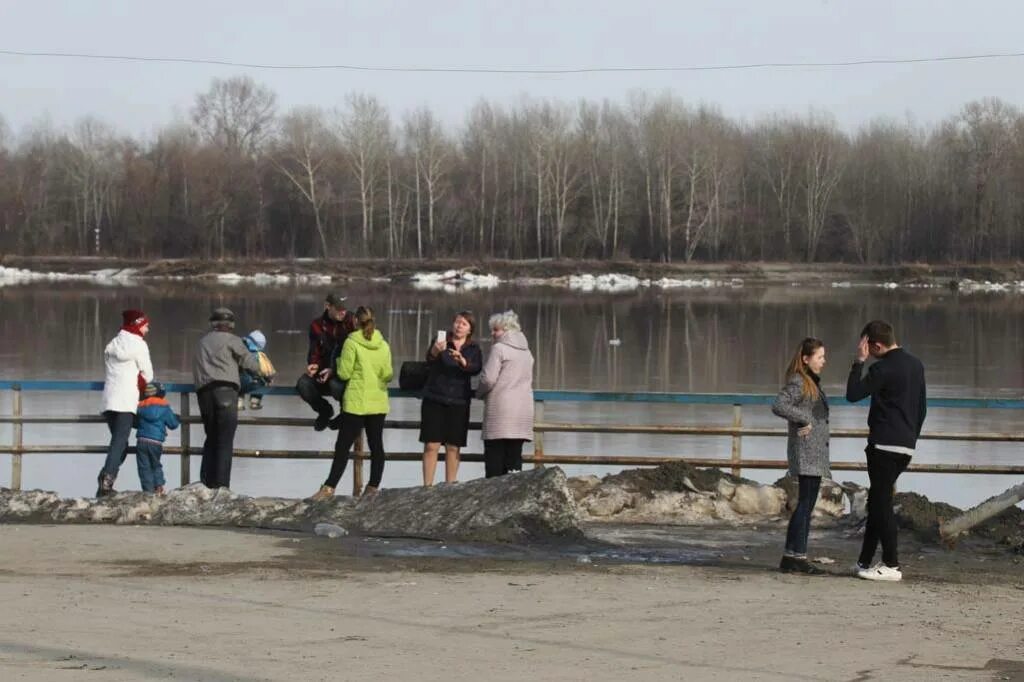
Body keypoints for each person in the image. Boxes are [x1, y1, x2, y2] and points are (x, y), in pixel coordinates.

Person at [846, 320, 927, 582]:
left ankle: (891, 564)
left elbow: (853, 393)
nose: (867, 351)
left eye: (868, 347)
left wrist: (859, 362)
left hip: (882, 445)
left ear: (876, 345)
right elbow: (922, 409)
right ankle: (864, 560)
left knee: (881, 504)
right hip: (905, 446)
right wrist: (911, 437)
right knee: (876, 501)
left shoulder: (882, 368)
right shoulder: (916, 365)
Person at [312, 306, 393, 501]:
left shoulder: (351, 342)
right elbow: (388, 374)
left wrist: (337, 363)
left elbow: (344, 373)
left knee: (342, 447)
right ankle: (372, 488)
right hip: (378, 403)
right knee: (377, 446)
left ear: (355, 321)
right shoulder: (383, 344)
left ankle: (329, 487)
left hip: (356, 402)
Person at [193, 307, 270, 490]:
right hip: (226, 392)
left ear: (213, 323)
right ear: (231, 325)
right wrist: (265, 373)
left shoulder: (202, 342)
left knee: (211, 437)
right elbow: (250, 362)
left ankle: (206, 483)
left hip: (204, 393)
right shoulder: (234, 341)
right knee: (225, 440)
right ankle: (222, 486)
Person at [771, 338, 830, 575]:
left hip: (812, 451)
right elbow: (779, 405)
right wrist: (804, 418)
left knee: (807, 504)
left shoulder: (810, 382)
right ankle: (797, 556)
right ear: (806, 359)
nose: (824, 361)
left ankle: (792, 556)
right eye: (820, 357)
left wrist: (805, 418)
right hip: (806, 451)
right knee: (805, 504)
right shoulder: (799, 381)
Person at [420, 311, 483, 486]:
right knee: (431, 445)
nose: (458, 326)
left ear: (470, 329)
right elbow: (429, 360)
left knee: (453, 446)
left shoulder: (474, 349)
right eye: (457, 322)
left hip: (459, 401)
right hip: (435, 398)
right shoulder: (441, 340)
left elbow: (476, 368)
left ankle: (450, 486)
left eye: (463, 324)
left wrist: (463, 362)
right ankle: (427, 487)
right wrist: (435, 350)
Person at [97, 309, 153, 497]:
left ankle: (104, 481)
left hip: (110, 400)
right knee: (120, 444)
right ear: (137, 325)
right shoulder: (139, 345)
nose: (147, 328)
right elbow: (148, 375)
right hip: (126, 401)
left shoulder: (113, 344)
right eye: (145, 324)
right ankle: (106, 483)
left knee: (119, 444)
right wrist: (139, 384)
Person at [477, 310, 535, 478]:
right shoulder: (527, 352)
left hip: (500, 411)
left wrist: (479, 393)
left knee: (494, 459)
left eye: (496, 330)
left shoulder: (499, 349)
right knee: (514, 458)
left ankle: (494, 498)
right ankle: (514, 495)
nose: (492, 333)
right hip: (523, 411)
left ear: (507, 329)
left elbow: (488, 379)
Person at [296, 293, 357, 431]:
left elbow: (358, 356)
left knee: (337, 386)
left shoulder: (352, 322)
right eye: (339, 309)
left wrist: (334, 370)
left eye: (344, 309)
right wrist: (314, 364)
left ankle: (346, 415)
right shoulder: (316, 325)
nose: (343, 312)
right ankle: (324, 411)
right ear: (328, 306)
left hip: (344, 373)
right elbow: (314, 350)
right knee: (303, 384)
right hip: (323, 373)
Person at [135, 382, 180, 495]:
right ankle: (159, 487)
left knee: (144, 467)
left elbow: (135, 422)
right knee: (155, 465)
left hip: (141, 440)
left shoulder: (140, 406)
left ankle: (148, 491)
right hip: (155, 442)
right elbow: (173, 424)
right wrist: (176, 418)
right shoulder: (164, 407)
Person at [239, 330, 271, 410]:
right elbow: (265, 371)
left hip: (238, 383)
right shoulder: (260, 356)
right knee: (262, 382)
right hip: (252, 383)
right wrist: (268, 379)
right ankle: (255, 401)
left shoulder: (240, 353)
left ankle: (239, 402)